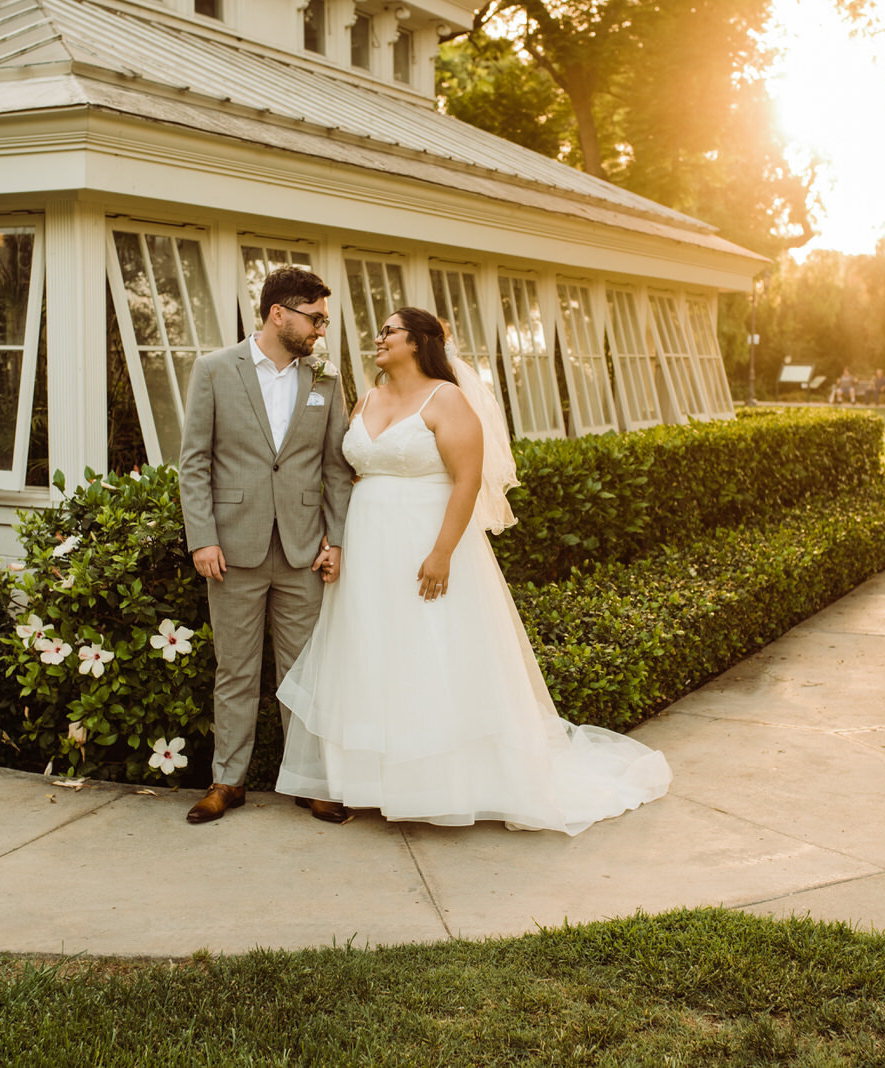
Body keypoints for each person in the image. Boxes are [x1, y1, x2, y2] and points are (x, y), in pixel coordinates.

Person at [275, 308, 671, 835]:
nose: (379, 337)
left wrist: (441, 552)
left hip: (427, 544)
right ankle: (374, 783)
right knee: (373, 653)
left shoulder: (448, 398)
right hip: (368, 547)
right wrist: (336, 541)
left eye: (390, 331)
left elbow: (466, 481)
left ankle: (440, 785)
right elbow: (348, 476)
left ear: (418, 343)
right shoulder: (366, 399)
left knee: (431, 654)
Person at [178, 266, 355, 825]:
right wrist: (202, 538)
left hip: (304, 551)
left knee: (304, 671)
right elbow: (194, 463)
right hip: (233, 550)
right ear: (279, 313)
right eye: (316, 317)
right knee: (235, 670)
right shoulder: (213, 370)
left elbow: (337, 467)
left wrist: (338, 540)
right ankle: (227, 782)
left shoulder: (326, 378)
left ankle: (310, 781)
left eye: (324, 319)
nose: (322, 329)